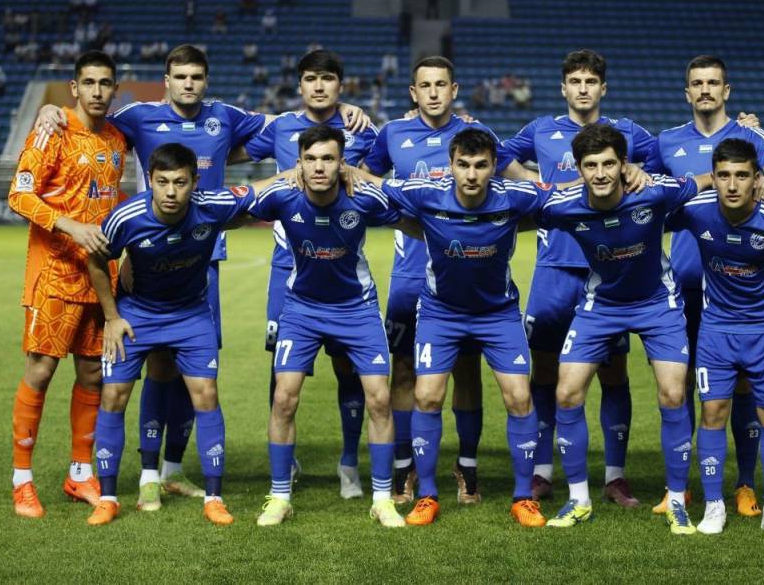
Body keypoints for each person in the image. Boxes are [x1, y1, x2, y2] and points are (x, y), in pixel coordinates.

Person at [33, 45, 371, 509]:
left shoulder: (226, 116)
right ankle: (149, 472)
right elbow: (90, 118)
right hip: (148, 254)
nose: (188, 84)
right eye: (180, 76)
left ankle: (173, 468)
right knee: (157, 365)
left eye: (196, 76)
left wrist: (343, 109)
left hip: (204, 254)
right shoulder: (138, 116)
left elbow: (289, 122)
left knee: (194, 367)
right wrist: (52, 110)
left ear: (206, 81)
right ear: (166, 80)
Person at [536, 123, 764, 533]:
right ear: (579, 169)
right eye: (591, 166)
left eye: (609, 164)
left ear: (624, 165)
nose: (600, 173)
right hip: (601, 304)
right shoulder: (563, 204)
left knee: (674, 393)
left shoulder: (653, 191)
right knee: (566, 392)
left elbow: (706, 180)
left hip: (658, 303)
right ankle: (578, 499)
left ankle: (676, 499)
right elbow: (508, 206)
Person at [353, 129, 553, 527]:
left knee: (519, 397)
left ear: (494, 166)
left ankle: (523, 498)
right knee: (427, 396)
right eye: (463, 165)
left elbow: (567, 195)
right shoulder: (426, 193)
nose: (472, 174)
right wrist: (343, 170)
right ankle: (426, 495)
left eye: (481, 165)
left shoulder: (515, 196)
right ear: (451, 165)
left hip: (498, 314)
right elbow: (375, 186)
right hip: (440, 313)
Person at [502, 49, 658, 506]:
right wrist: (541, 187)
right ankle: (543, 471)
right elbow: (499, 156)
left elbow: (665, 158)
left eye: (591, 81)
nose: (583, 88)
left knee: (613, 372)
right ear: (564, 88)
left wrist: (637, 169)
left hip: (606, 271)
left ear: (602, 88)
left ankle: (614, 476)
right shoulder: (541, 130)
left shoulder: (626, 132)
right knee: (545, 372)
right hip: (554, 268)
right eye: (575, 81)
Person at [647, 55, 764, 516]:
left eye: (713, 82)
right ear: (687, 92)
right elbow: (651, 189)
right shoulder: (667, 141)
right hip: (683, 286)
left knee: (745, 388)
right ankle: (682, 487)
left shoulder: (751, 136)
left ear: (726, 90)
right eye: (697, 83)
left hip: (737, 295)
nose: (706, 90)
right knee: (686, 387)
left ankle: (745, 483)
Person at [246, 125, 413, 528]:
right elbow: (226, 210)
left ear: (342, 164)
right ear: (299, 164)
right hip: (301, 309)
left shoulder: (363, 197)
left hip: (357, 309)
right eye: (311, 159)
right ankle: (279, 497)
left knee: (379, 398)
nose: (319, 167)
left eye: (328, 159)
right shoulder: (283, 196)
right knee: (283, 398)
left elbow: (415, 217)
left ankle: (382, 499)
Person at [84, 143, 258, 526]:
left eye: (180, 182)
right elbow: (95, 260)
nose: (171, 191)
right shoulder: (126, 217)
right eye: (162, 182)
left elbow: (259, 194)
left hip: (190, 314)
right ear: (150, 179)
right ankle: (108, 498)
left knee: (206, 394)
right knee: (113, 395)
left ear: (195, 182)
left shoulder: (211, 207)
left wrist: (296, 174)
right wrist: (111, 317)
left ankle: (214, 498)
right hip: (136, 313)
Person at [237, 50, 378, 499]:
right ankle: (288, 462)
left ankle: (349, 463)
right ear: (299, 84)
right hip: (289, 267)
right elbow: (225, 151)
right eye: (310, 78)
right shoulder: (280, 128)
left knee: (348, 365)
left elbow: (384, 172)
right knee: (282, 370)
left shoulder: (361, 129)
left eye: (327, 78)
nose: (319, 86)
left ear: (341, 85)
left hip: (341, 265)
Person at [665, 138, 764, 537]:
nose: (732, 185)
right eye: (724, 175)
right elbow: (650, 213)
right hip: (716, 330)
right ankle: (714, 506)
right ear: (713, 177)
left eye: (742, 175)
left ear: (756, 179)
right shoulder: (697, 210)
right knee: (713, 414)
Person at [6, 50, 128, 518]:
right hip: (55, 273)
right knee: (41, 371)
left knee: (92, 372)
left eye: (105, 83)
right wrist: (69, 226)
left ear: (114, 89)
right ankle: (22, 481)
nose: (97, 91)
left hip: (98, 278)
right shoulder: (52, 131)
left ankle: (80, 473)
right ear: (74, 88)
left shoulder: (116, 139)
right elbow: (19, 194)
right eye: (89, 83)